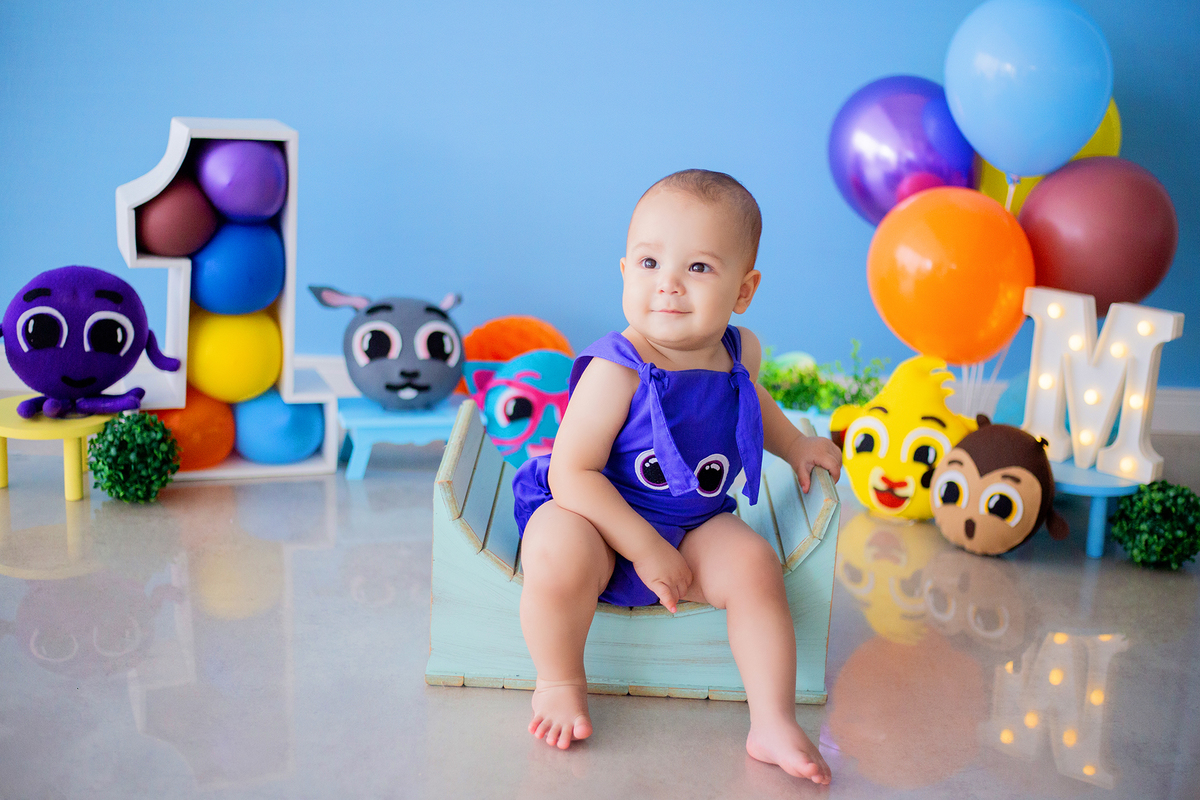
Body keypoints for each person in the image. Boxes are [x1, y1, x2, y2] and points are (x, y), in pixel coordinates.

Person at [512, 169, 842, 784]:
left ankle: (771, 719)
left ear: (743, 290)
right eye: (648, 262)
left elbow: (751, 404)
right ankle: (558, 680)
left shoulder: (742, 351)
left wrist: (794, 442)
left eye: (698, 268)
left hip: (693, 519)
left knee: (754, 567)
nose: (667, 284)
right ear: (623, 272)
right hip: (596, 511)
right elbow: (572, 472)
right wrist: (643, 547)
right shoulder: (620, 369)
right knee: (557, 550)